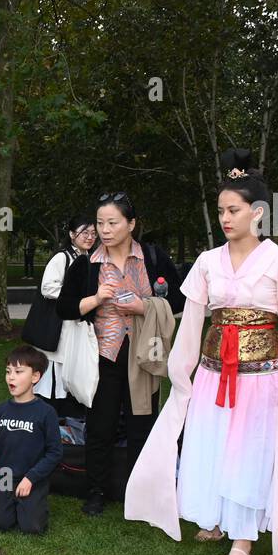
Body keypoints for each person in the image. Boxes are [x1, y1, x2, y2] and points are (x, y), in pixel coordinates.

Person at [125, 149, 278, 555]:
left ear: (258, 213)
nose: (226, 218)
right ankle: (214, 516)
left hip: (261, 376)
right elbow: (191, 321)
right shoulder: (209, 261)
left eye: (234, 210)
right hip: (213, 373)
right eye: (221, 211)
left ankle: (243, 539)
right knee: (209, 444)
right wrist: (182, 372)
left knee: (248, 449)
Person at [55, 192, 184, 516]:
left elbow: (181, 300)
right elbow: (64, 307)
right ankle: (96, 491)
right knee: (101, 426)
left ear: (131, 224)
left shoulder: (153, 259)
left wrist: (144, 306)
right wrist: (97, 298)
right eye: (100, 223)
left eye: (112, 222)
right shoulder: (86, 265)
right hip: (103, 357)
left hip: (145, 356)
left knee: (143, 424)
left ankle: (139, 491)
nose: (105, 229)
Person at [0, 345, 62, 533]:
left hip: (31, 477)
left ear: (35, 377)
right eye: (8, 371)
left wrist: (31, 478)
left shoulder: (46, 412)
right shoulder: (2, 410)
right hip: (5, 474)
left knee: (32, 527)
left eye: (18, 372)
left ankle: (31, 503)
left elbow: (55, 453)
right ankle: (10, 503)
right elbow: (2, 442)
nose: (11, 377)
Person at [34, 216, 97, 418]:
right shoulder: (63, 258)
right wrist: (74, 299)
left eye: (93, 233)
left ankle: (70, 423)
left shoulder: (88, 257)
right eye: (84, 232)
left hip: (77, 327)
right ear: (71, 234)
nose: (89, 237)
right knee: (56, 377)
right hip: (60, 329)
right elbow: (48, 287)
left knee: (72, 372)